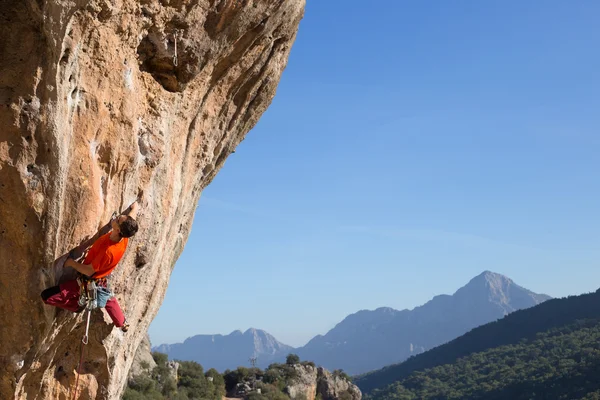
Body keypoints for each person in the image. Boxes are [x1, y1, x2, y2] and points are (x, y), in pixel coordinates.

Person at [41, 200, 140, 332]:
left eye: (117, 220)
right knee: (107, 297)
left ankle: (76, 306)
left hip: (87, 281)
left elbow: (88, 271)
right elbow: (131, 218)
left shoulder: (108, 251)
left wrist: (72, 263)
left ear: (117, 229)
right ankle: (122, 322)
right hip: (100, 278)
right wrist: (134, 208)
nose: (115, 218)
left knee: (47, 296)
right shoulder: (125, 235)